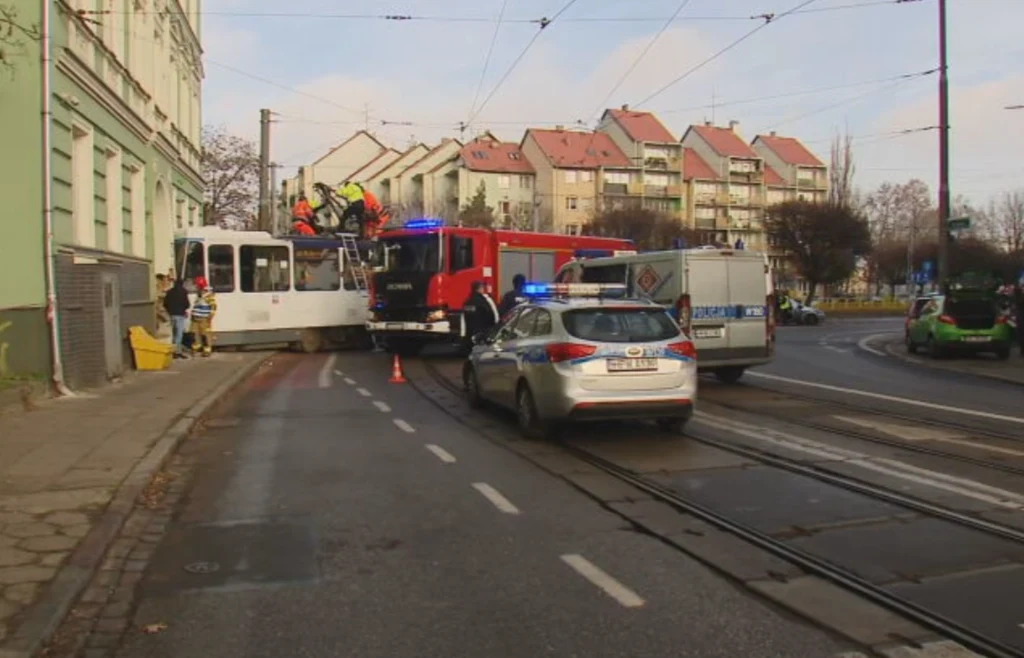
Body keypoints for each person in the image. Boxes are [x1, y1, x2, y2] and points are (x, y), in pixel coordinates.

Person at [462, 281, 500, 350]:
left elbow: (465, 318)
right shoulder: (483, 302)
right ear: (480, 289)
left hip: (470, 334)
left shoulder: (467, 302)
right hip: (481, 335)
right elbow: (490, 316)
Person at [190, 276, 217, 357]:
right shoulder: (199, 294)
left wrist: (210, 317)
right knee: (195, 333)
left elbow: (213, 306)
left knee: (205, 334)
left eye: (197, 285)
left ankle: (207, 350)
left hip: (204, 318)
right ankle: (196, 347)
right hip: (196, 317)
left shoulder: (208, 294)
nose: (195, 286)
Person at [163, 279, 191, 358]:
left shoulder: (170, 292)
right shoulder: (183, 292)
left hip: (171, 314)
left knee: (173, 332)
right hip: (180, 314)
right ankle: (177, 351)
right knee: (179, 333)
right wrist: (183, 309)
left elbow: (165, 303)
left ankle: (172, 349)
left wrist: (170, 310)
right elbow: (187, 304)